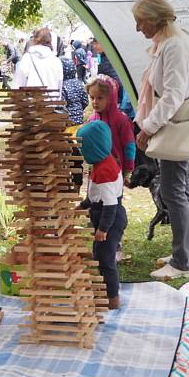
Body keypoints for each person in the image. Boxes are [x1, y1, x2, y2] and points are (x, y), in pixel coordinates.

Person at [132, 0, 189, 279]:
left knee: (175, 192)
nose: (138, 29)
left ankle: (183, 262)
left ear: (153, 18)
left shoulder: (174, 46)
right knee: (181, 191)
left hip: (172, 127)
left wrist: (147, 128)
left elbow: (172, 96)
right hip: (172, 126)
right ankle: (187, 254)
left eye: (140, 22)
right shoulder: (172, 43)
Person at [77, 121, 126, 310]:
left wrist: (103, 230)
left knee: (106, 259)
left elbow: (110, 204)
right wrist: (83, 205)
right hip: (103, 215)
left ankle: (112, 298)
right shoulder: (102, 163)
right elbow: (94, 194)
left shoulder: (105, 171)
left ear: (92, 147)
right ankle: (107, 289)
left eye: (84, 147)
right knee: (99, 254)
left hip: (110, 220)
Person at [85, 75, 136, 182]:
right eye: (92, 97)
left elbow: (129, 145)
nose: (95, 102)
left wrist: (128, 170)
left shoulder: (121, 120)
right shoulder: (91, 120)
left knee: (113, 198)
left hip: (116, 173)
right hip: (96, 172)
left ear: (111, 97)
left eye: (100, 98)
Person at [13, 27, 64, 95]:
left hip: (32, 102)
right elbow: (59, 87)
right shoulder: (57, 61)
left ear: (34, 40)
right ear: (50, 40)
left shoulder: (27, 58)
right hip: (51, 103)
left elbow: (18, 85)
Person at [94, 39, 135, 119]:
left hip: (122, 106)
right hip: (117, 105)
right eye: (94, 43)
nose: (94, 46)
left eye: (97, 43)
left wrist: (123, 108)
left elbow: (122, 84)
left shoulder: (112, 60)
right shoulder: (105, 59)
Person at [61, 58, 89, 126]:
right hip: (80, 118)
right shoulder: (79, 83)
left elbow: (62, 104)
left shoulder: (62, 86)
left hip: (68, 120)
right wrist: (78, 110)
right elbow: (85, 101)